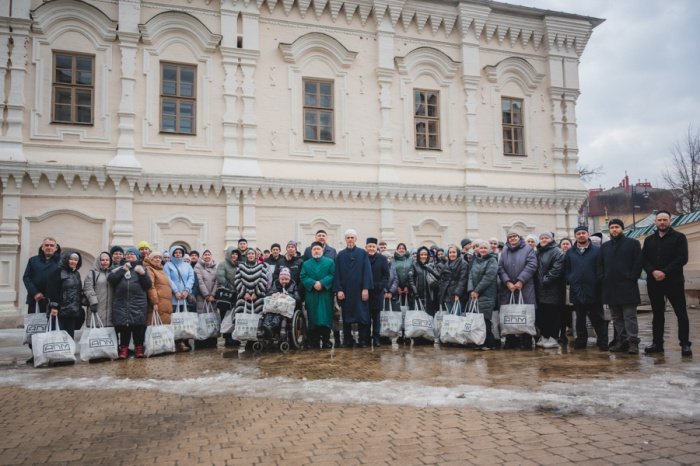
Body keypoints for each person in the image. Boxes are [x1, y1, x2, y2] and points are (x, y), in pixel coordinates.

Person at [642, 210, 692, 356]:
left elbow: (682, 258)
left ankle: (684, 344)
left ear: (670, 221)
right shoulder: (649, 240)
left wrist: (664, 272)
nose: (662, 222)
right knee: (657, 314)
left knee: (681, 313)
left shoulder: (679, 237)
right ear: (655, 222)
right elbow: (644, 259)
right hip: (654, 282)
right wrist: (652, 271)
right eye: (659, 220)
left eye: (665, 219)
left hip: (673, 282)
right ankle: (657, 343)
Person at [598, 218, 643, 354]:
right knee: (616, 317)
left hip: (627, 285)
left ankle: (632, 342)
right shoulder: (605, 247)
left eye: (617, 227)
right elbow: (600, 265)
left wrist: (632, 277)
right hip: (610, 287)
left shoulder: (633, 244)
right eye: (612, 227)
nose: (614, 230)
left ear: (622, 229)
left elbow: (638, 262)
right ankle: (622, 341)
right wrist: (603, 279)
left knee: (629, 316)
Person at [566, 226, 608, 351]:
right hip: (577, 290)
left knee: (597, 318)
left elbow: (601, 268)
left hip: (594, 290)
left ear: (588, 234)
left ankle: (602, 341)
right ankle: (581, 341)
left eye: (583, 233)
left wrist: (597, 281)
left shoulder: (596, 251)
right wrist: (572, 279)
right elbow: (567, 270)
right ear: (575, 236)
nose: (581, 235)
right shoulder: (570, 252)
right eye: (578, 233)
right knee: (579, 318)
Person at [22, 237, 62, 364]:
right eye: (47, 245)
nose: (49, 247)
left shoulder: (61, 262)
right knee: (35, 328)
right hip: (35, 301)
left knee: (51, 328)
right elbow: (26, 278)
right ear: (42, 247)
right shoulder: (33, 261)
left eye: (52, 245)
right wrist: (35, 292)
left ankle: (50, 353)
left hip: (52, 301)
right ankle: (35, 354)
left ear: (56, 248)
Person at [109, 247, 152, 358]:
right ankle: (124, 349)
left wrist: (142, 274)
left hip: (138, 302)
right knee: (125, 327)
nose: (129, 256)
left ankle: (139, 348)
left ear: (137, 256)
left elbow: (148, 285)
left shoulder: (142, 268)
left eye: (132, 254)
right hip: (122, 302)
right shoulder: (118, 268)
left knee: (138, 326)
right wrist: (123, 269)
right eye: (127, 254)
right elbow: (111, 280)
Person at [333, 229, 373, 348]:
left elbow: (367, 272)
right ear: (345, 239)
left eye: (352, 237)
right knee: (346, 317)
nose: (350, 239)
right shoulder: (340, 255)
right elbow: (337, 273)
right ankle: (348, 340)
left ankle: (363, 340)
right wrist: (339, 289)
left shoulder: (362, 253)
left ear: (356, 239)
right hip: (346, 292)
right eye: (348, 237)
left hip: (360, 291)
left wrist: (366, 288)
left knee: (362, 316)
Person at [499, 231, 537, 349]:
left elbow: (532, 265)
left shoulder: (528, 249)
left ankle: (526, 341)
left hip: (525, 287)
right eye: (510, 237)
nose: (512, 239)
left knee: (525, 313)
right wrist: (507, 282)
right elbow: (500, 268)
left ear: (519, 237)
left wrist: (521, 280)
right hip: (508, 288)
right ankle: (510, 341)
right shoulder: (504, 251)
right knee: (510, 314)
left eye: (514, 236)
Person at [534, 231, 566, 349]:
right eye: (541, 238)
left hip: (553, 290)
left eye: (546, 238)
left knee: (553, 315)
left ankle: (553, 337)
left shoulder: (557, 252)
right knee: (542, 315)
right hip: (540, 291)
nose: (543, 240)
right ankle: (544, 336)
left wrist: (544, 281)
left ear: (551, 239)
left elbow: (557, 270)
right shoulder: (539, 252)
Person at [301, 242, 336, 349]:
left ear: (322, 251)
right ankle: (314, 341)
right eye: (314, 249)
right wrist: (313, 283)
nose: (316, 251)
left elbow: (333, 274)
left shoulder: (330, 262)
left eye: (318, 249)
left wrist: (322, 283)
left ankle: (326, 340)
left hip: (325, 294)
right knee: (313, 317)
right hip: (312, 294)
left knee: (325, 317)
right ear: (311, 251)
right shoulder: (306, 264)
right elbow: (303, 276)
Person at [467, 240, 499, 349]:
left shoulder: (492, 260)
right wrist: (471, 290)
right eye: (481, 248)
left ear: (489, 249)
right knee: (477, 319)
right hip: (475, 294)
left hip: (487, 293)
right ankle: (479, 342)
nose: (483, 250)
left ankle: (489, 343)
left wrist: (477, 290)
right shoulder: (476, 260)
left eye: (485, 248)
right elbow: (470, 275)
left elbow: (488, 277)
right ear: (478, 250)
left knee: (485, 319)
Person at [46, 251, 83, 340]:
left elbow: (78, 290)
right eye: (71, 259)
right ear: (66, 260)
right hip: (60, 310)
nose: (73, 261)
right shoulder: (58, 272)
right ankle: (57, 352)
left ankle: (68, 352)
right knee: (58, 333)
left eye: (76, 260)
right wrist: (54, 307)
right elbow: (52, 290)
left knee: (70, 334)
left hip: (72, 310)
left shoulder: (76, 273)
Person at [165, 245, 195, 352]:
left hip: (185, 298)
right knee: (175, 320)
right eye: (176, 252)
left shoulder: (187, 265)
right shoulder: (168, 265)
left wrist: (186, 290)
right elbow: (168, 279)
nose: (178, 254)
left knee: (184, 320)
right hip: (174, 297)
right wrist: (176, 291)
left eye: (180, 252)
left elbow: (191, 278)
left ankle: (184, 340)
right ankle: (177, 342)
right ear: (172, 254)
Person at [261, 267, 299, 342]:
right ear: (279, 279)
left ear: (289, 279)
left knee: (279, 316)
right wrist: (273, 294)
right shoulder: (275, 284)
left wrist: (288, 296)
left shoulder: (293, 285)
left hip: (285, 309)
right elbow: (268, 293)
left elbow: (297, 298)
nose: (284, 281)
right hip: (274, 307)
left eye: (286, 279)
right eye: (282, 279)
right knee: (268, 315)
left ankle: (272, 328)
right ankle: (266, 327)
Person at [365, 237, 390, 347]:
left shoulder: (382, 259)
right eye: (369, 246)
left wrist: (381, 286)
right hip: (365, 292)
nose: (371, 248)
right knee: (365, 317)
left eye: (373, 247)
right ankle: (366, 338)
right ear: (366, 247)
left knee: (376, 317)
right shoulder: (363, 258)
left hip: (377, 292)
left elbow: (386, 275)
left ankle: (376, 338)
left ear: (377, 248)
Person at [194, 249, 218, 349]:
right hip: (202, 297)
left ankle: (212, 340)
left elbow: (217, 282)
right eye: (205, 255)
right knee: (202, 320)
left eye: (209, 254)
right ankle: (201, 342)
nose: (207, 256)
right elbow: (199, 282)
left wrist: (213, 294)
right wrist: (207, 295)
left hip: (212, 298)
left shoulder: (215, 267)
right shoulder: (198, 266)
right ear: (202, 256)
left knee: (211, 319)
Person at [216, 247, 240, 347]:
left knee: (234, 316)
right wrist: (230, 287)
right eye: (232, 254)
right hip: (227, 294)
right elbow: (220, 277)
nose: (234, 256)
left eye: (236, 254)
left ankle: (233, 336)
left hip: (237, 294)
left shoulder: (238, 265)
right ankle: (227, 337)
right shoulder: (223, 264)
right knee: (225, 315)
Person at [82, 251, 114, 327]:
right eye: (102, 260)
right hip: (96, 308)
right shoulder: (93, 273)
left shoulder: (112, 273)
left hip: (110, 312)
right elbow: (88, 288)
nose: (105, 262)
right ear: (98, 261)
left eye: (107, 260)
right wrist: (93, 302)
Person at [234, 248, 268, 315]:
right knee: (242, 321)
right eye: (249, 254)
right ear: (246, 255)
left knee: (258, 319)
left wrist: (256, 293)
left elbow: (263, 280)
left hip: (258, 297)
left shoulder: (261, 266)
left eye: (252, 254)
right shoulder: (241, 266)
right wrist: (245, 293)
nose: (251, 255)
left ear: (255, 255)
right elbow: (237, 280)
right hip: (243, 297)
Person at [144, 250, 173, 327]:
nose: (158, 259)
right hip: (158, 303)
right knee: (156, 331)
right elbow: (151, 286)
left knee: (163, 330)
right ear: (151, 259)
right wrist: (154, 302)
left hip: (164, 304)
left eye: (159, 258)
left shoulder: (161, 270)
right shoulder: (150, 269)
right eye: (155, 258)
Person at [408, 246, 440, 315]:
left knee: (429, 316)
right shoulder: (414, 265)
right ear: (418, 256)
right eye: (421, 255)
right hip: (418, 295)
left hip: (430, 296)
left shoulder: (431, 265)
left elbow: (438, 277)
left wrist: (430, 269)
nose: (423, 256)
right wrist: (415, 292)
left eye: (425, 254)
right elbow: (410, 280)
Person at [437, 245, 468, 312]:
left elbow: (462, 280)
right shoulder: (447, 264)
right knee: (450, 318)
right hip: (447, 294)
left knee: (457, 318)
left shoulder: (463, 263)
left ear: (458, 253)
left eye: (454, 252)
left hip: (457, 295)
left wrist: (457, 294)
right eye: (450, 252)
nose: (452, 254)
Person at [392, 243, 413, 308]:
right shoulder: (393, 260)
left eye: (403, 248)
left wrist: (407, 286)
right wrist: (397, 286)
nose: (401, 250)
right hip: (396, 288)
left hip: (408, 288)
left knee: (408, 309)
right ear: (397, 250)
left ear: (405, 250)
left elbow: (412, 272)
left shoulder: (410, 260)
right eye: (399, 248)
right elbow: (392, 274)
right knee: (397, 309)